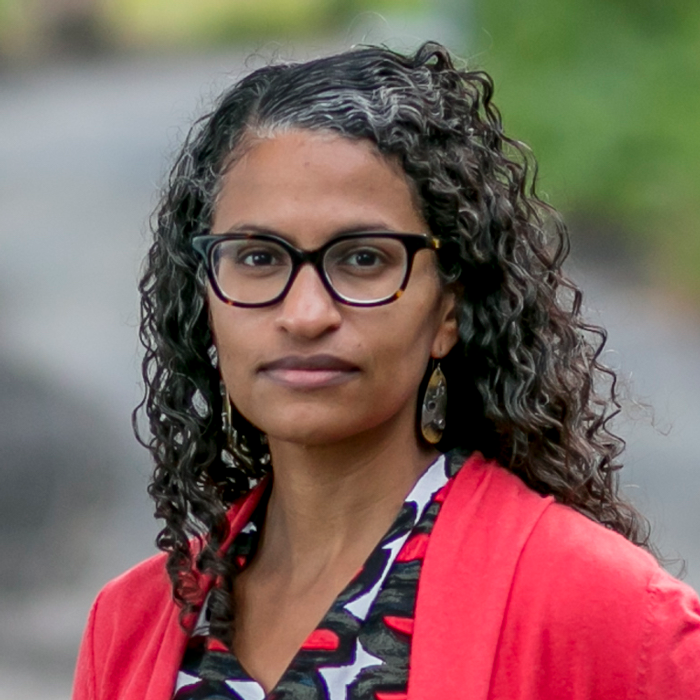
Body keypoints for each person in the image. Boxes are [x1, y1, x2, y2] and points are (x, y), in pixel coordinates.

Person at [72, 42, 700, 700]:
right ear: (205, 299)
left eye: (363, 259)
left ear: (449, 307)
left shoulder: (601, 616)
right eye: (257, 258)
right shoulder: (131, 625)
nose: (305, 312)